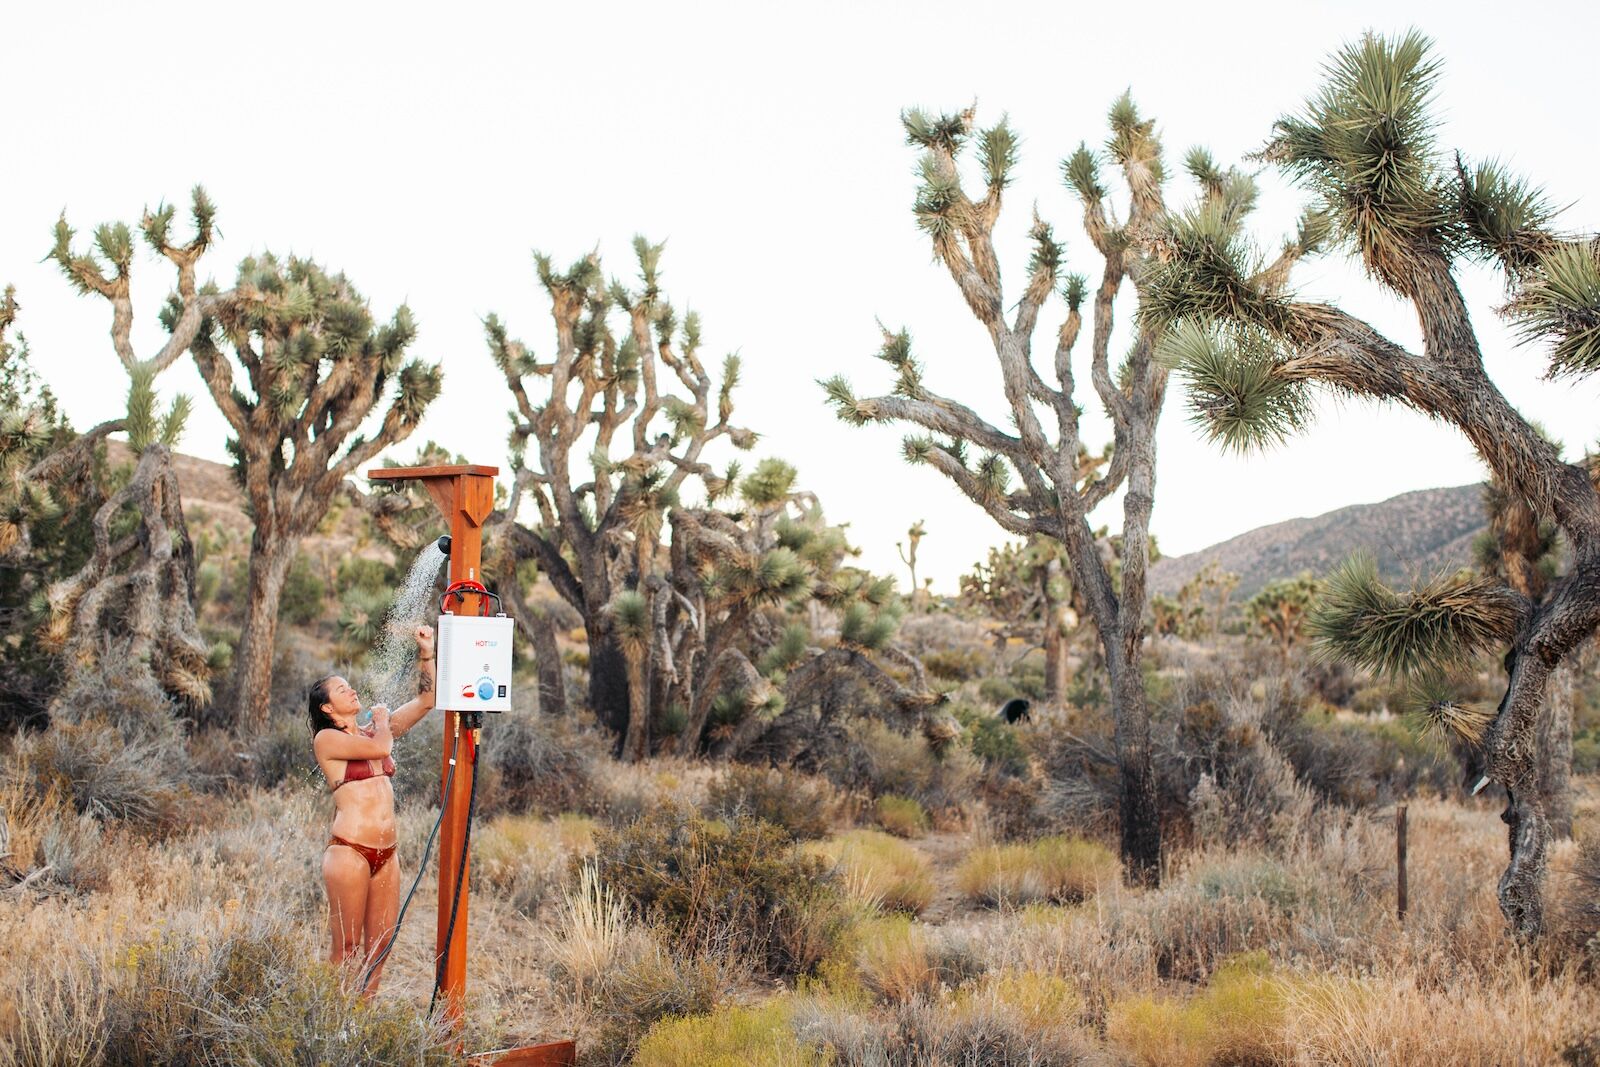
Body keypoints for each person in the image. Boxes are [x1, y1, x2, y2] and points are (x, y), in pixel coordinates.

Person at [308, 623, 436, 994]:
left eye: (349, 683)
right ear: (329, 708)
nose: (351, 688)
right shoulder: (327, 738)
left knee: (379, 948)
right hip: (349, 852)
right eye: (341, 689)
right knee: (346, 949)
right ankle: (332, 1025)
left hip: (387, 855)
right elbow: (382, 748)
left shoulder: (372, 731)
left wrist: (425, 652)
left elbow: (427, 702)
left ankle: (361, 1025)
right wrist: (382, 722)